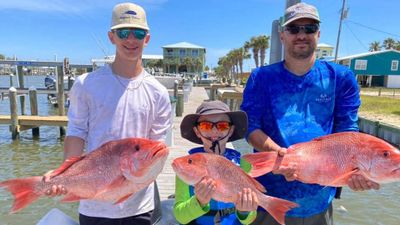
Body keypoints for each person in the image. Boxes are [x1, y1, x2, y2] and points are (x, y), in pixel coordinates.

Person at [240, 2, 380, 225]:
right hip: (268, 199)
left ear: (319, 33)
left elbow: (348, 133)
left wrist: (355, 171)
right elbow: (250, 126)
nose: (301, 35)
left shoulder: (341, 78)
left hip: (319, 201)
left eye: (309, 28)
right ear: (282, 35)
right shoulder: (261, 78)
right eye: (294, 29)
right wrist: (280, 156)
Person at [45, 2, 172, 225]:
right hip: (94, 204)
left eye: (138, 33)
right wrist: (63, 173)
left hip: (140, 206)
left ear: (147, 38)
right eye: (123, 32)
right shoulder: (86, 84)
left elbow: (158, 147)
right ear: (112, 37)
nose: (131, 39)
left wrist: (131, 183)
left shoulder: (159, 92)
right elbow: (76, 132)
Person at [174, 100, 258, 225]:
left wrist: (245, 211)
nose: (214, 131)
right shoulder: (187, 166)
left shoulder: (244, 165)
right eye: (206, 126)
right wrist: (199, 201)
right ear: (197, 131)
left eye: (222, 125)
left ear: (230, 130)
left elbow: (250, 218)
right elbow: (180, 216)